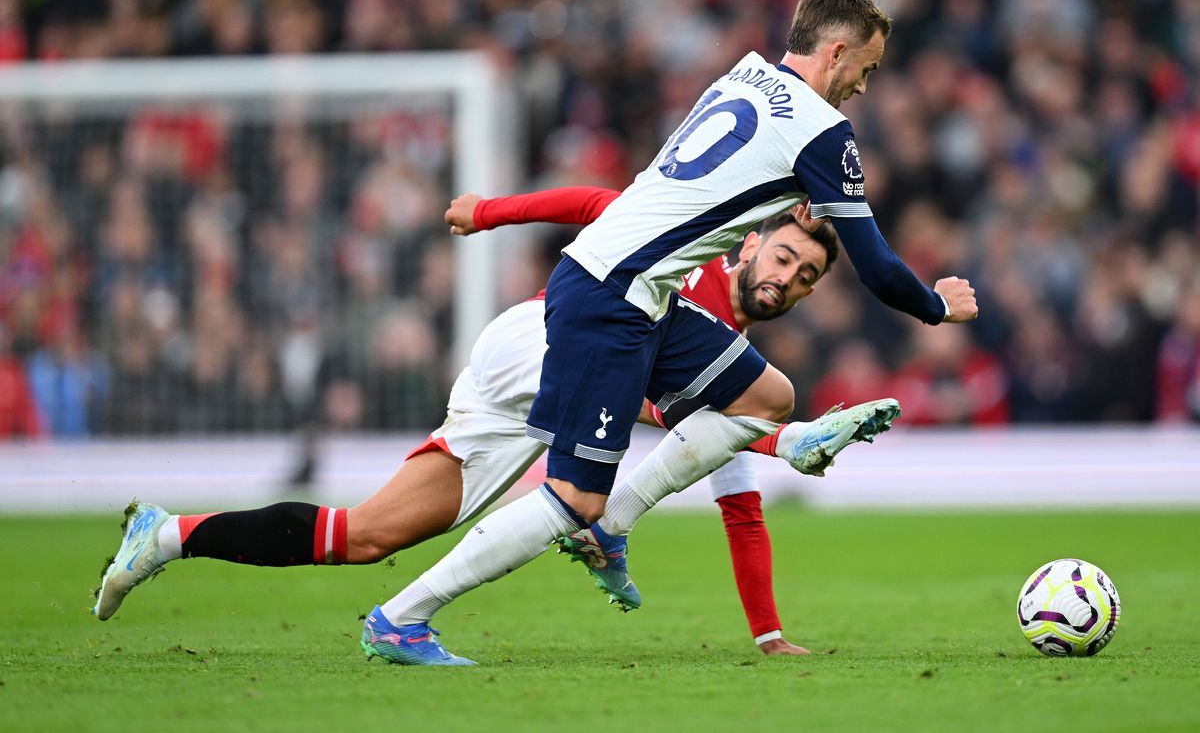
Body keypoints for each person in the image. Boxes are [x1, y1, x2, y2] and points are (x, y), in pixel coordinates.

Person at [362, 0, 977, 666]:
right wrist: (936, 306)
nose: (864, 87)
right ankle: (401, 618)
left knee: (768, 396)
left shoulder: (741, 77)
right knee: (571, 502)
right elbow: (880, 270)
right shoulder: (825, 134)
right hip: (613, 297)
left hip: (640, 294)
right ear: (835, 54)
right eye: (866, 69)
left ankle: (618, 520)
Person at [91, 186, 888, 660]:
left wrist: (767, 633)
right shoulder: (694, 256)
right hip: (538, 342)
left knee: (367, 534)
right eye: (785, 257)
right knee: (709, 422)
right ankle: (601, 528)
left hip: (516, 401)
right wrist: (492, 211)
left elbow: (735, 491)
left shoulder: (727, 364)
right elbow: (598, 205)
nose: (790, 278)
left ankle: (167, 535)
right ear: (751, 244)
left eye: (808, 276)